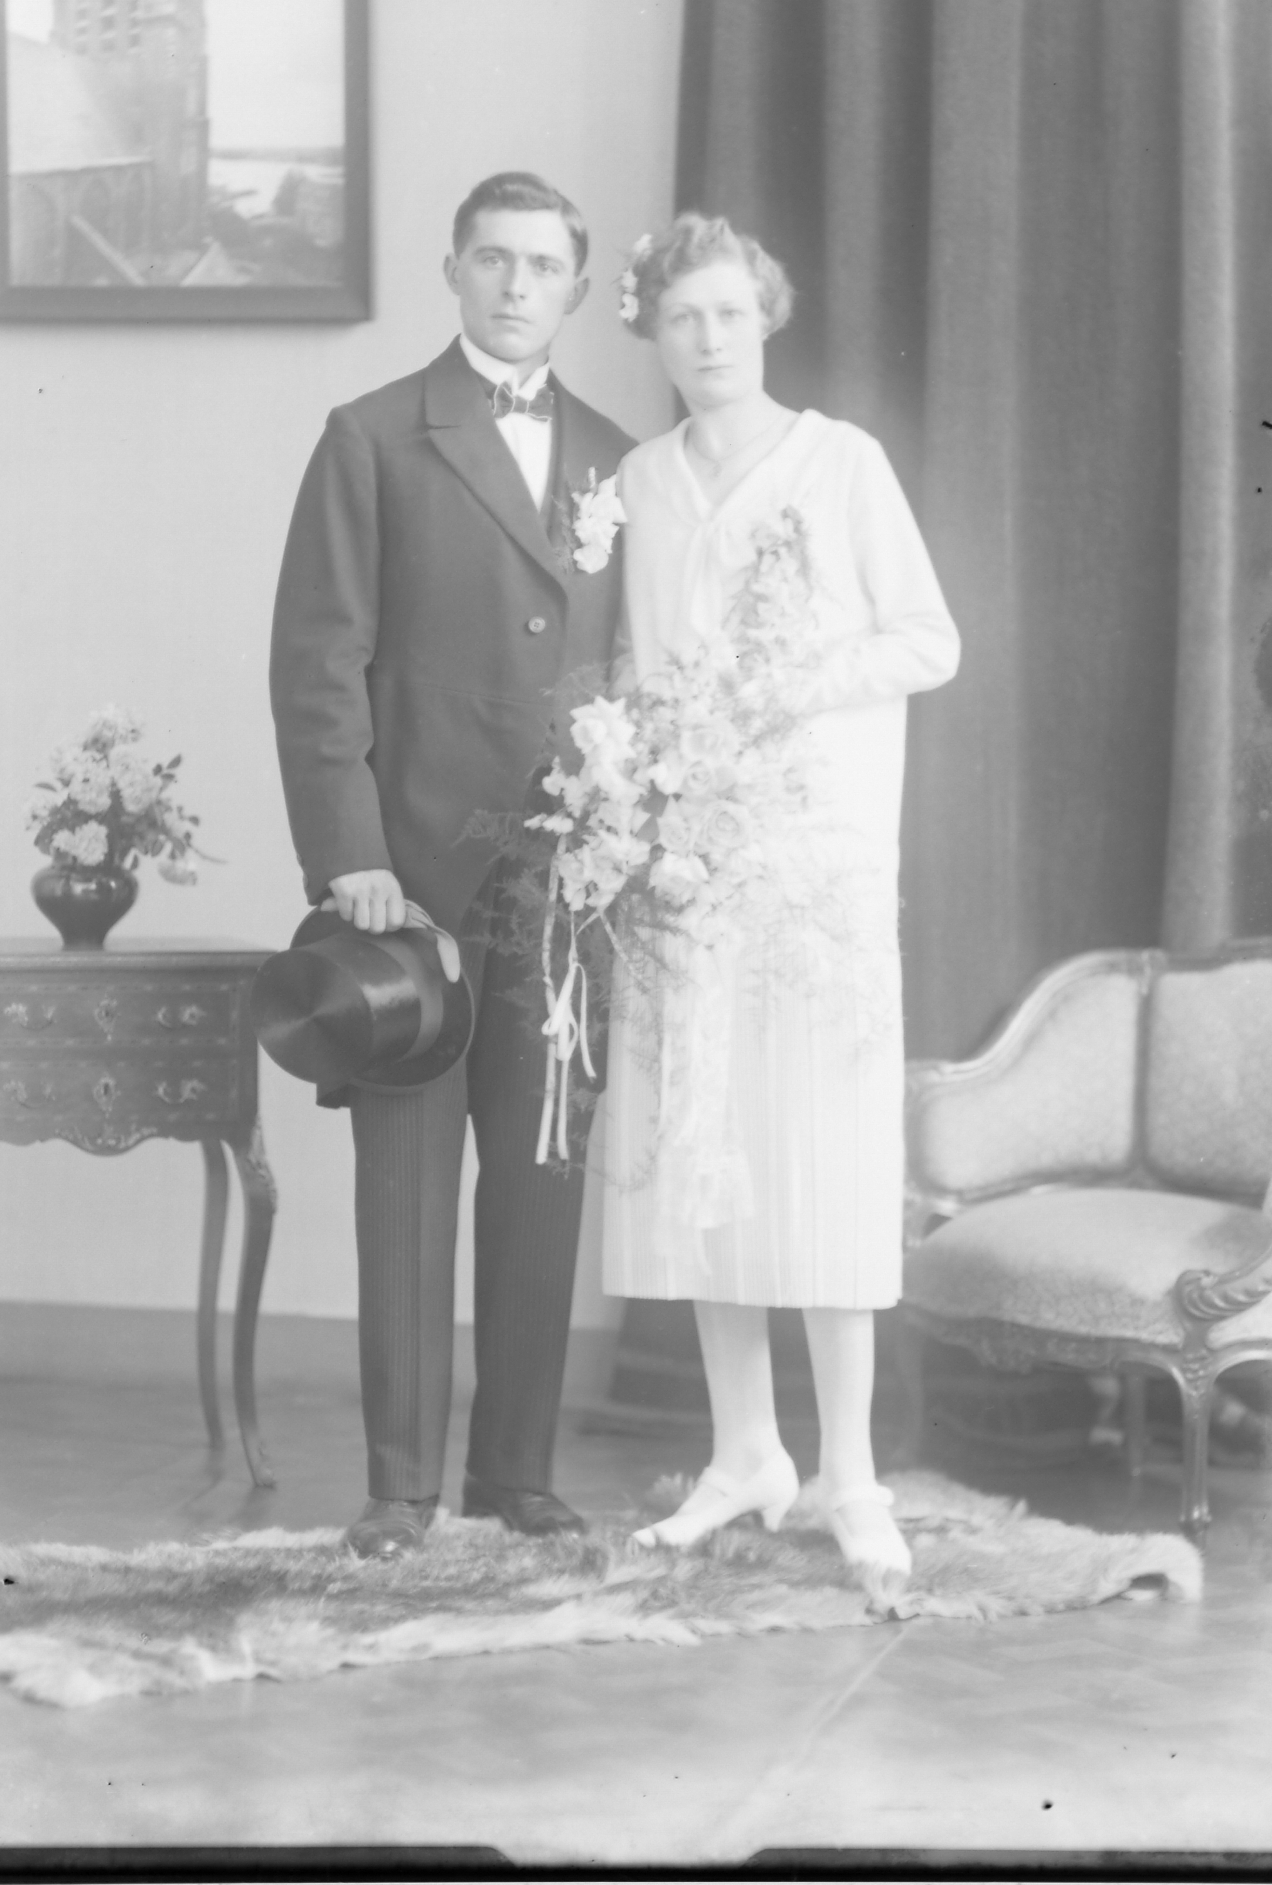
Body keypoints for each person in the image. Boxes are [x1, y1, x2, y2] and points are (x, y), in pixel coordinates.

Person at [270, 172, 634, 1559]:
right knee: (407, 1191)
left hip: (564, 892)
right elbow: (319, 669)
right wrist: (350, 859)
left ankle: (516, 1474)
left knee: (542, 1180)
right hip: (412, 888)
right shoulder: (371, 437)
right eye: (492, 259)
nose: (515, 284)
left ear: (576, 289)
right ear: (454, 272)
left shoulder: (618, 460)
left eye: (541, 265)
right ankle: (400, 1488)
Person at [600, 212, 959, 1600]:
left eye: (729, 314)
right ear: (652, 333)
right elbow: (637, 666)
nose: (708, 340)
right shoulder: (639, 482)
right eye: (682, 318)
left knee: (819, 1157)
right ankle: (744, 1452)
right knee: (709, 1151)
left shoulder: (839, 462)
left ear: (766, 321)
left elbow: (929, 638)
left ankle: (850, 1474)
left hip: (813, 868)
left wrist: (784, 686)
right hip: (690, 867)